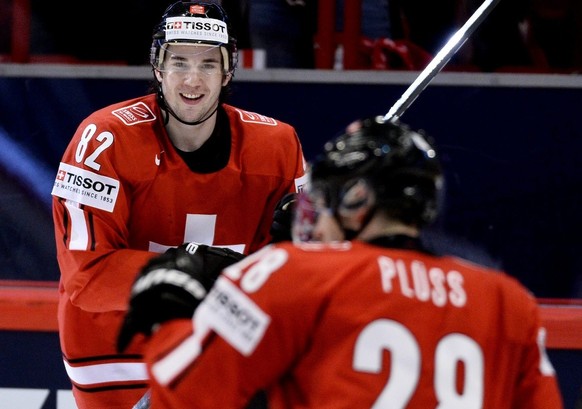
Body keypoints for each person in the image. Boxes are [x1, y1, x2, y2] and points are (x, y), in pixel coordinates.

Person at [118, 116, 564, 408]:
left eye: (325, 199)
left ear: (357, 200)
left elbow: (187, 394)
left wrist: (169, 319)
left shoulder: (292, 271)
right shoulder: (508, 301)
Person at [50, 1, 307, 408]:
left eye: (208, 64)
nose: (192, 79)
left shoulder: (277, 145)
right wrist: (208, 270)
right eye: (179, 61)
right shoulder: (103, 139)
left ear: (227, 71)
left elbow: (305, 270)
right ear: (157, 67)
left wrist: (304, 241)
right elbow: (88, 276)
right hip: (114, 348)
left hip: (220, 342)